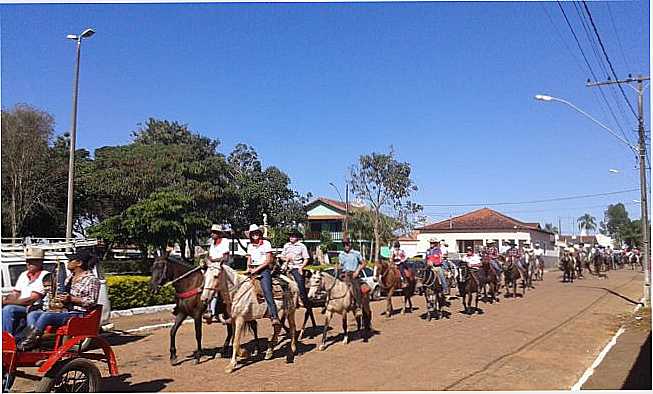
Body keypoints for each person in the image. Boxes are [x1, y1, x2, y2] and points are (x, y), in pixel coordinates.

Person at [19, 249, 101, 351]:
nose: (68, 262)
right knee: (33, 314)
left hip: (79, 314)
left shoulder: (91, 280)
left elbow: (91, 301)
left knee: (46, 316)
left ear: (79, 263)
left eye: (71, 260)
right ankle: (32, 339)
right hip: (65, 311)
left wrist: (71, 298)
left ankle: (29, 342)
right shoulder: (70, 278)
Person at [2, 247, 49, 336]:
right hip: (22, 306)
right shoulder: (24, 275)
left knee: (8, 309)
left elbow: (31, 299)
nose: (28, 263)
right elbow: (15, 293)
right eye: (27, 261)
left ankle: (7, 337)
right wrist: (5, 299)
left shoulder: (45, 276)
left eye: (31, 261)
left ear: (40, 262)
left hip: (34, 307)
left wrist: (7, 302)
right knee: (5, 308)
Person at [245, 224, 281, 327]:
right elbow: (249, 259)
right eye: (253, 233)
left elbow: (268, 260)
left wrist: (256, 269)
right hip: (252, 269)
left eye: (256, 233)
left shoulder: (266, 243)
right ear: (250, 235)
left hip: (263, 269)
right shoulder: (250, 246)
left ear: (259, 234)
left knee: (266, 290)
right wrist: (248, 268)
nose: (255, 235)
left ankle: (274, 316)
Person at [281, 228, 311, 308]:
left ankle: (304, 300)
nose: (291, 237)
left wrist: (301, 268)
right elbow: (282, 256)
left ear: (297, 237)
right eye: (290, 236)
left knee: (300, 282)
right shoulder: (286, 245)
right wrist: (286, 259)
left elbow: (306, 258)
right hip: (286, 266)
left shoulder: (302, 246)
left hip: (296, 267)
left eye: (293, 236)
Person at [337, 238, 364, 317]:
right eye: (344, 244)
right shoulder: (341, 254)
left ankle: (358, 307)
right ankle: (329, 303)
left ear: (350, 244)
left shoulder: (356, 253)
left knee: (356, 287)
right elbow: (341, 265)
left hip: (354, 274)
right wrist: (338, 269)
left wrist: (357, 271)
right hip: (345, 274)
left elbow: (363, 263)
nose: (346, 246)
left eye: (347, 244)